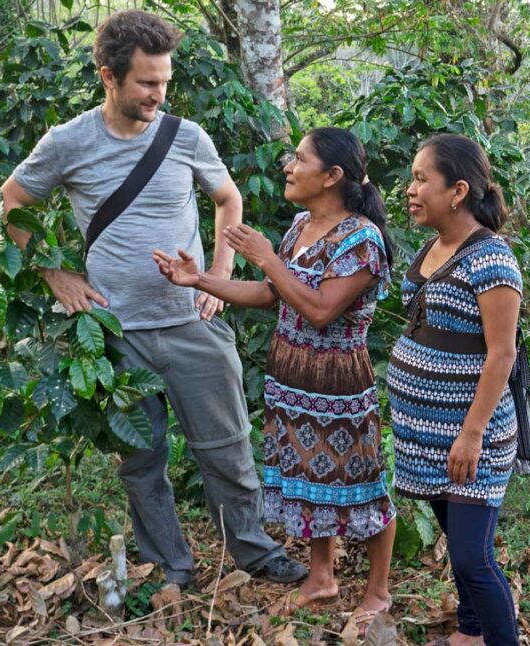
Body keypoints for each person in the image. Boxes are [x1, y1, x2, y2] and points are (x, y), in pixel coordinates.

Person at [0, 9, 306, 588]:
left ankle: (255, 553)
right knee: (140, 464)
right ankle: (170, 567)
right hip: (115, 332)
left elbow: (227, 199)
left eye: (164, 81)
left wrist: (218, 273)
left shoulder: (185, 136)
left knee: (228, 450)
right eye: (146, 82)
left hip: (193, 323)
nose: (158, 94)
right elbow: (11, 203)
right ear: (107, 76)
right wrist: (53, 273)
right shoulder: (67, 142)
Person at [153, 127, 397, 634]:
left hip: (337, 384)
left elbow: (320, 310)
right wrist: (198, 279)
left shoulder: (362, 240)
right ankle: (321, 578)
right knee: (308, 478)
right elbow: (272, 295)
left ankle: (378, 591)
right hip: (291, 379)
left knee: (360, 481)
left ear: (332, 176)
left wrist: (266, 257)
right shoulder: (300, 226)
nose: (288, 166)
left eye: (300, 159)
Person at [388, 134, 522, 645]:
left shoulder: (492, 258)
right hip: (427, 434)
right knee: (456, 541)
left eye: (423, 180)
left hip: (471, 435)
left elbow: (501, 354)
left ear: (459, 190)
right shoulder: (432, 246)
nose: (411, 189)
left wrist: (471, 435)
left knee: (472, 555)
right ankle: (469, 633)